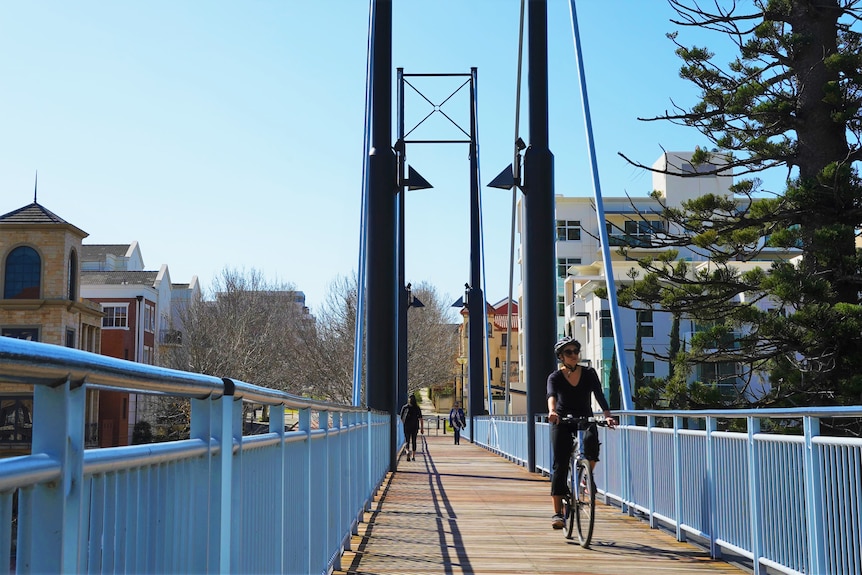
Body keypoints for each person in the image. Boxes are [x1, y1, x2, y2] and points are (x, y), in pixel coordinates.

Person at [547, 336, 617, 530]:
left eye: (576, 352)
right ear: (561, 356)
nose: (573, 355)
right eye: (569, 352)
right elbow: (551, 396)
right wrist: (552, 412)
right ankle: (557, 513)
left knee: (592, 445)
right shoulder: (555, 377)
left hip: (584, 418)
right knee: (560, 464)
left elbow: (599, 394)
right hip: (561, 420)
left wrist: (607, 415)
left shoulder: (588, 373)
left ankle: (585, 474)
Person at [400, 394, 424, 461]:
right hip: (415, 426)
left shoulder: (405, 407)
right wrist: (422, 428)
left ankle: (407, 452)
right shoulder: (417, 408)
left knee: (407, 440)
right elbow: (421, 419)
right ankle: (413, 456)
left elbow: (401, 418)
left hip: (407, 426)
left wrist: (403, 424)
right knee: (414, 440)